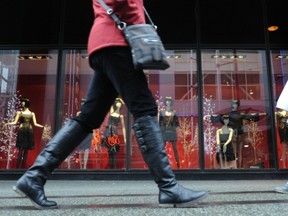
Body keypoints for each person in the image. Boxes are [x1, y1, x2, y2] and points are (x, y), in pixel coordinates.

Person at [12, 0, 208, 210]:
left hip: (106, 43)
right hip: (117, 44)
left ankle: (34, 177)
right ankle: (169, 187)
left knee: (89, 118)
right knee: (145, 108)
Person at [4, 98, 44, 169]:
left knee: (26, 150)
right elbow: (15, 122)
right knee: (21, 149)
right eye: (22, 102)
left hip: (29, 131)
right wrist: (8, 123)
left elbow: (35, 123)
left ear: (26, 103)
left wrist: (42, 127)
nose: (22, 103)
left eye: (23, 102)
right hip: (22, 130)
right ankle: (17, 168)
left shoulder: (32, 113)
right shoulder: (19, 113)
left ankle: (22, 168)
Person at [103, 98, 126, 169]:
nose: (118, 107)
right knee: (110, 151)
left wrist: (125, 137)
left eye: (119, 106)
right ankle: (111, 167)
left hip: (115, 134)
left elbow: (123, 127)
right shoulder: (111, 112)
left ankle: (114, 167)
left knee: (114, 150)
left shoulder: (120, 116)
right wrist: (118, 99)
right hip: (109, 133)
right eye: (117, 105)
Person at [159, 97, 180, 168]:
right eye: (167, 101)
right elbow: (160, 123)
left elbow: (177, 123)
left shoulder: (174, 112)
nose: (168, 102)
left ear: (171, 102)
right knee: (162, 149)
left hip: (172, 131)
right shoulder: (162, 112)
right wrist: (162, 129)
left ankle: (178, 165)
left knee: (175, 149)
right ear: (165, 102)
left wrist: (173, 127)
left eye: (169, 101)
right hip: (164, 132)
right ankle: (161, 165)